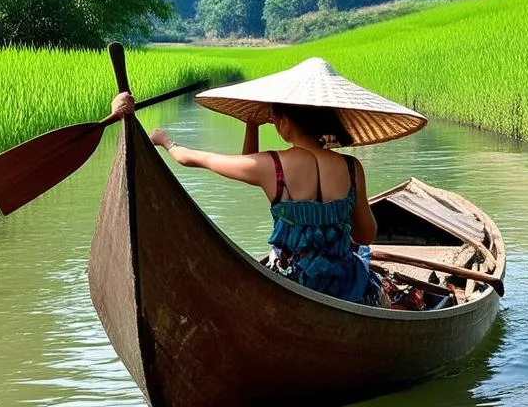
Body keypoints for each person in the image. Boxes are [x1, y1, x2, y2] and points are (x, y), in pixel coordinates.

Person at [109, 93, 388, 307]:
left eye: (276, 118)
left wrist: (164, 140)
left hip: (296, 284)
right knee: (361, 257)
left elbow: (193, 159)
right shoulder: (352, 168)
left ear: (285, 121)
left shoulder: (272, 166)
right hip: (345, 284)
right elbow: (366, 234)